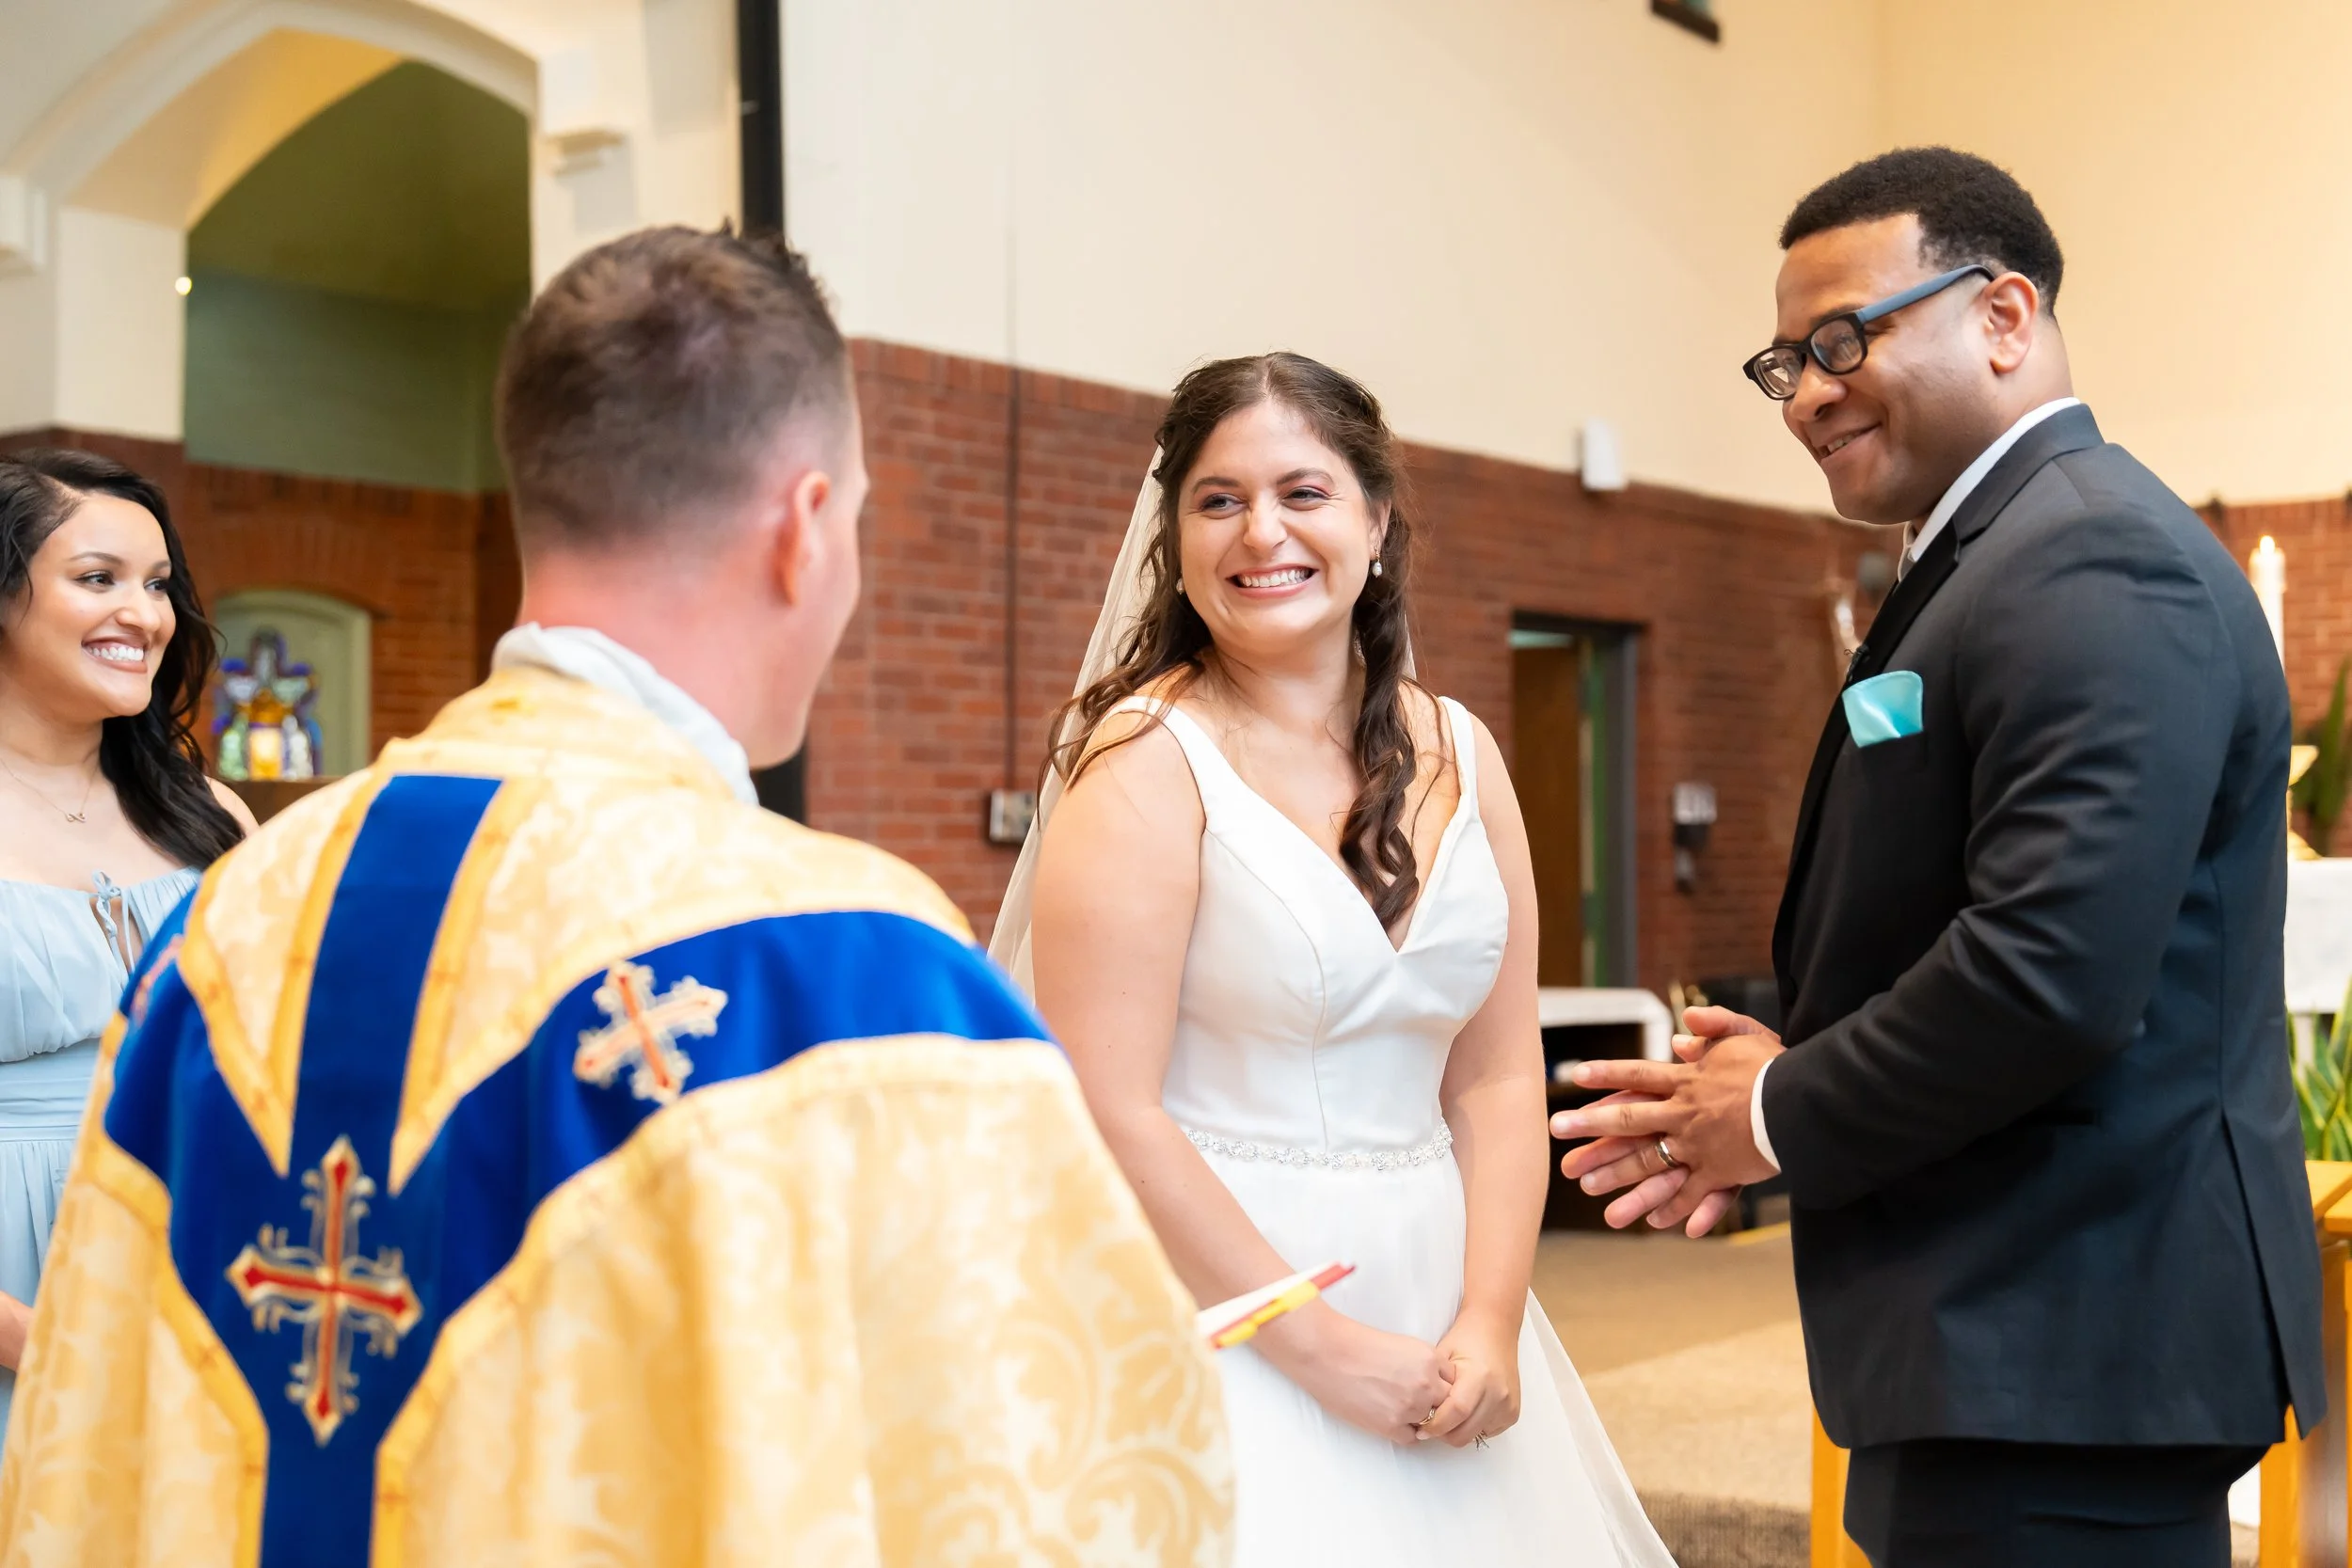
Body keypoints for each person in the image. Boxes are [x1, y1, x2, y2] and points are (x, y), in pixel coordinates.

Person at [0, 229, 1230, 1565]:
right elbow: (1044, 1484)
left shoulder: (227, 923)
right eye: (859, 518)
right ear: (807, 525)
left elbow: (90, 1448)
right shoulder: (841, 968)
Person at [1558, 148, 2324, 1567]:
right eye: (1782, 358)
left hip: (2069, 1337)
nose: (1804, 390)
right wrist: (1778, 1048)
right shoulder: (1991, 551)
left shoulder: (2092, 556)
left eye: (1844, 339)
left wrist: (1775, 1107)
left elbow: (2050, 972)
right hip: (2004, 1338)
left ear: (2005, 314)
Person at [996, 352, 1672, 1566]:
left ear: (1376, 519)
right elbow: (1108, 1100)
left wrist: (1490, 1313)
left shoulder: (1462, 744)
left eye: (1302, 492)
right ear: (1178, 537)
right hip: (1218, 1298)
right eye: (1218, 500)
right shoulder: (1145, 761)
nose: (1262, 532)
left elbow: (1499, 1071)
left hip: (1437, 1274)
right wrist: (1313, 1341)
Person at [0, 450, 253, 1447]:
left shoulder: (211, 818)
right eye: (98, 578)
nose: (145, 615)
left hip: (199, 1281)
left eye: (158, 586)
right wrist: (41, 1338)